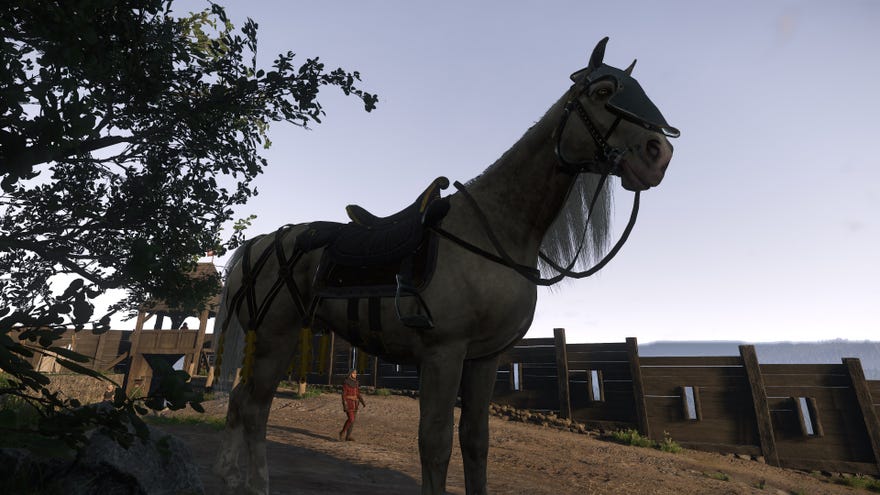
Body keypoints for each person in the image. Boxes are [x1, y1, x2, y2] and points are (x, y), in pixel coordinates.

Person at [339, 369, 367, 441]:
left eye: (356, 373)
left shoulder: (356, 382)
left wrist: (362, 401)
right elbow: (344, 395)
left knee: (352, 421)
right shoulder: (346, 382)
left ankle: (348, 436)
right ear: (350, 374)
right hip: (348, 404)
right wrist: (344, 404)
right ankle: (342, 432)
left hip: (355, 404)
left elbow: (357, 393)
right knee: (351, 419)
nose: (355, 374)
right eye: (354, 373)